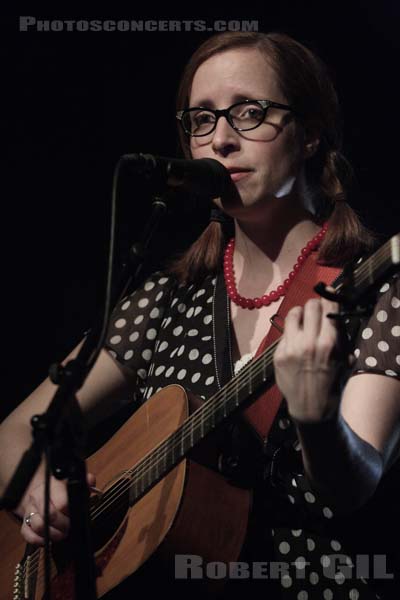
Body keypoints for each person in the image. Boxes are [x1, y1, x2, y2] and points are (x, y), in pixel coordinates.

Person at [0, 31, 399, 600]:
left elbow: (353, 486)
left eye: (250, 112)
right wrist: (35, 491)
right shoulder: (166, 298)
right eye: (202, 120)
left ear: (310, 135)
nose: (222, 140)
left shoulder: (378, 285)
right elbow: (14, 432)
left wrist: (316, 419)